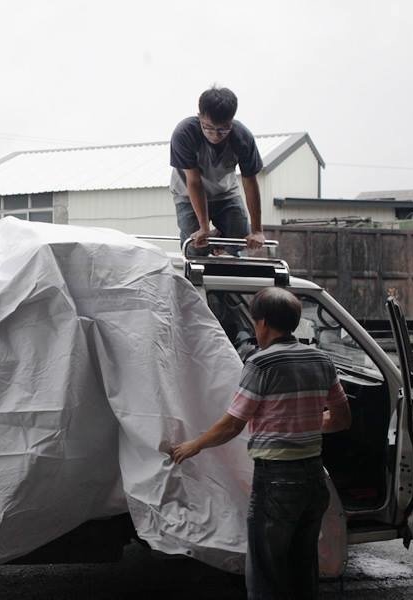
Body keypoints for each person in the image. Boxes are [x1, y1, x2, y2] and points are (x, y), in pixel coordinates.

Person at [170, 287, 352, 600]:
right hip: (313, 480)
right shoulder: (322, 360)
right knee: (303, 566)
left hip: (276, 482)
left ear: (263, 323)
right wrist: (303, 424)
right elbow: (341, 419)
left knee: (267, 570)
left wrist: (193, 446)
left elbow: (232, 425)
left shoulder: (261, 364)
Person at [169, 86, 266, 254]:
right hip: (187, 194)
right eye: (208, 128)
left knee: (238, 241)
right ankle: (209, 244)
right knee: (196, 246)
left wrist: (257, 230)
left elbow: (250, 181)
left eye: (223, 129)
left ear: (232, 121)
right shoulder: (184, 134)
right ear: (199, 117)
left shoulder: (242, 138)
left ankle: (220, 239)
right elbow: (194, 181)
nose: (215, 135)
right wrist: (204, 227)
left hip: (225, 193)